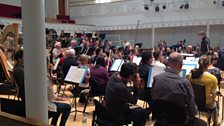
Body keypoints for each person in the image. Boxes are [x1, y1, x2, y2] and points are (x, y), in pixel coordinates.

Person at [13, 50, 71, 126]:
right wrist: (48, 84)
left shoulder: (18, 68)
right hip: (36, 105)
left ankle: (53, 123)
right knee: (67, 107)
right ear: (19, 58)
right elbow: (51, 98)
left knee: (59, 107)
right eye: (25, 57)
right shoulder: (20, 71)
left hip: (28, 101)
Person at [151, 52, 206, 126]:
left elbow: (154, 97)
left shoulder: (156, 78)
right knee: (202, 124)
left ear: (167, 63)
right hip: (179, 121)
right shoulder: (184, 83)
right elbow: (192, 108)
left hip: (160, 119)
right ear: (181, 65)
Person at [188, 55, 219, 126]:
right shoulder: (212, 78)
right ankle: (215, 123)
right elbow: (214, 95)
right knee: (215, 105)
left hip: (193, 102)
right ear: (208, 64)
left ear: (198, 63)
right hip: (206, 104)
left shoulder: (190, 76)